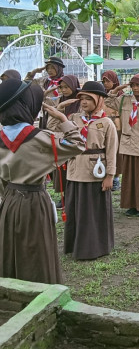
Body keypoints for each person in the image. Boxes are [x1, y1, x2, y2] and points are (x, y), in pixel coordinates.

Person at [0, 78, 85, 284]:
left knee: (10, 249)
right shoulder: (40, 139)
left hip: (9, 201)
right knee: (37, 251)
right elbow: (77, 144)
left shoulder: (1, 137)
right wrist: (61, 118)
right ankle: (40, 297)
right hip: (34, 201)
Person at [59, 81, 118, 261]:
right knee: (75, 210)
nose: (84, 102)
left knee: (92, 213)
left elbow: (111, 151)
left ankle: (94, 248)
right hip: (75, 170)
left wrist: (110, 176)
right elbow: (55, 131)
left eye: (89, 98)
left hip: (95, 172)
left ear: (99, 100)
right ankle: (74, 246)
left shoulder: (106, 123)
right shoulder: (74, 119)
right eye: (82, 98)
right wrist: (59, 110)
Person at [105, 73, 139, 217]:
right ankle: (130, 205)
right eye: (133, 85)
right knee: (129, 177)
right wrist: (115, 91)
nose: (135, 88)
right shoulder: (124, 100)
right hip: (128, 144)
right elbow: (107, 102)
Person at [46, 75, 81, 207]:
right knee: (63, 172)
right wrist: (60, 108)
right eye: (61, 87)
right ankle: (66, 196)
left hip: (77, 140)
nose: (64, 90)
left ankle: (76, 197)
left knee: (76, 170)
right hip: (62, 141)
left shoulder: (81, 101)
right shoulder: (59, 101)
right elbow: (51, 126)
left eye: (67, 87)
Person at [102, 70, 124, 191]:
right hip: (105, 126)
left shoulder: (121, 95)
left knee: (116, 152)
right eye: (104, 81)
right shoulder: (102, 94)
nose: (105, 83)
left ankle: (116, 177)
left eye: (108, 81)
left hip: (117, 126)